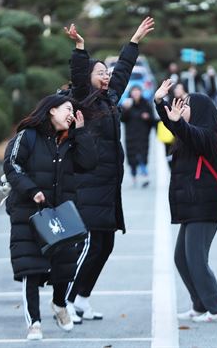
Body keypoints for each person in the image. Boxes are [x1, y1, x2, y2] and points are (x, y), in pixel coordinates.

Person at [63, 17, 154, 323]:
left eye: (106, 72)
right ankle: (65, 300)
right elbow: (78, 74)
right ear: (88, 78)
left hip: (108, 186)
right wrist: (80, 47)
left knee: (105, 245)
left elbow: (124, 71)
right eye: (99, 72)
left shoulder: (110, 98)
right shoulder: (82, 101)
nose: (106, 76)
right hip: (87, 184)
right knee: (89, 244)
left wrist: (135, 40)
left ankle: (82, 299)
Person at [3, 94, 97, 340]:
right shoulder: (28, 136)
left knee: (65, 264)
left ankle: (59, 304)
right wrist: (31, 190)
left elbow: (88, 163)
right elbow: (12, 166)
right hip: (28, 213)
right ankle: (34, 323)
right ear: (51, 110)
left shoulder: (70, 140)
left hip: (61, 211)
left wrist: (82, 132)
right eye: (67, 108)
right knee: (31, 269)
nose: (71, 114)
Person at [154, 78, 217, 323]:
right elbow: (176, 125)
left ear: (198, 110)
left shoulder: (210, 137)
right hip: (190, 206)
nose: (180, 108)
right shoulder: (187, 134)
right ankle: (199, 305)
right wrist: (159, 101)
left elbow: (187, 132)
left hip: (204, 207)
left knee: (197, 260)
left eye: (185, 105)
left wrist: (177, 122)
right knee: (181, 258)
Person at [120, 86, 155, 187]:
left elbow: (152, 120)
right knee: (131, 157)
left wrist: (147, 117)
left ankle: (145, 176)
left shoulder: (146, 104)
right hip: (130, 135)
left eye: (137, 91)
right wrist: (126, 109)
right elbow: (122, 119)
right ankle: (134, 176)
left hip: (143, 135)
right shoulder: (127, 104)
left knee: (142, 156)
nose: (135, 93)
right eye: (134, 92)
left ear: (141, 92)